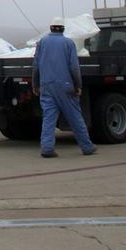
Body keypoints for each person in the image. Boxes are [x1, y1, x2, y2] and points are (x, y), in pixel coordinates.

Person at [32, 17, 96, 158]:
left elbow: (36, 66)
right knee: (75, 118)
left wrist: (35, 85)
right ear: (63, 29)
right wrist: (78, 85)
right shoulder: (68, 43)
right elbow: (74, 67)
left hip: (46, 86)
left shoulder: (42, 43)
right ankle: (87, 147)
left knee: (49, 118)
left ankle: (47, 148)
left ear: (51, 27)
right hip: (65, 86)